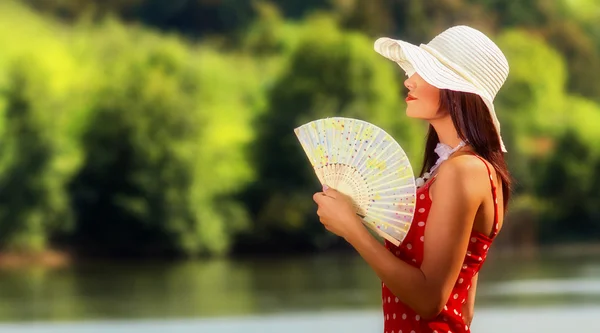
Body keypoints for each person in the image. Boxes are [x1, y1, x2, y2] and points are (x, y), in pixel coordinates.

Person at [312, 25, 512, 333]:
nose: (409, 80)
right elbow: (464, 307)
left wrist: (352, 230)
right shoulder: (466, 169)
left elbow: (431, 300)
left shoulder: (463, 171)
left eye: (423, 71)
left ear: (457, 90)